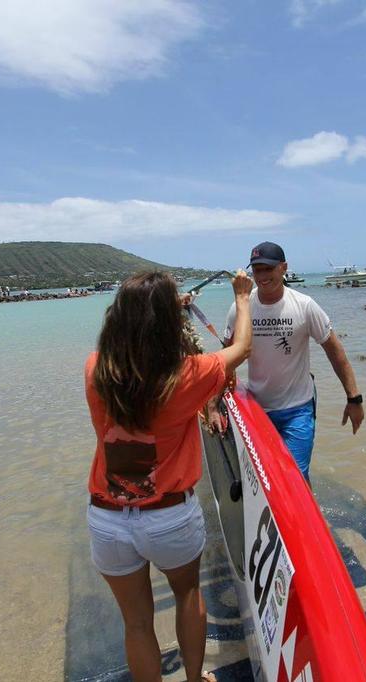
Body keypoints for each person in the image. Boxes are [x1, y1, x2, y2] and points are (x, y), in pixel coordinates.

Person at [85, 269, 254, 682]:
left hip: (107, 520)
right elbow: (243, 347)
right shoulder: (188, 375)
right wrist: (242, 296)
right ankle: (194, 680)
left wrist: (158, 313)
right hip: (168, 519)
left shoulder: (96, 369)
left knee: (137, 623)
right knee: (188, 595)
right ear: (166, 322)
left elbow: (134, 357)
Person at [224, 242, 364, 480]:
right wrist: (216, 405)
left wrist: (354, 399)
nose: (262, 276)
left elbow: (336, 352)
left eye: (268, 269)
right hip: (256, 408)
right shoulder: (241, 308)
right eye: (257, 270)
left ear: (283, 268)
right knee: (264, 479)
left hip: (297, 410)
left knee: (296, 478)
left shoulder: (304, 305)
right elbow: (225, 359)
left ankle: (307, 516)